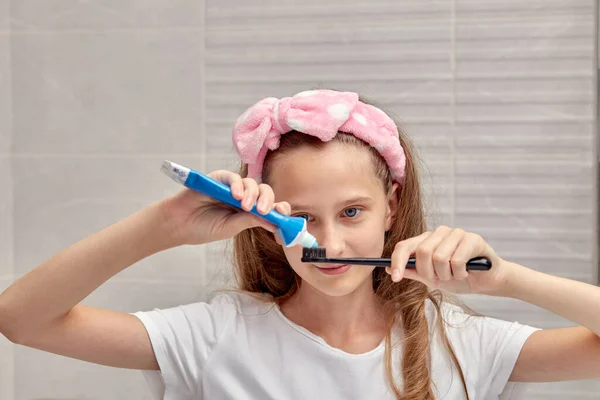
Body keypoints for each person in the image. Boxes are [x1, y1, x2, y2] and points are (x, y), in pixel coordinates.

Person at [1, 89, 599, 400]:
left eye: (353, 211)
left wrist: (507, 280)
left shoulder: (465, 344)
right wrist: (163, 226)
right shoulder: (213, 337)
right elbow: (21, 319)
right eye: (304, 218)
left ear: (392, 205)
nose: (330, 242)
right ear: (266, 218)